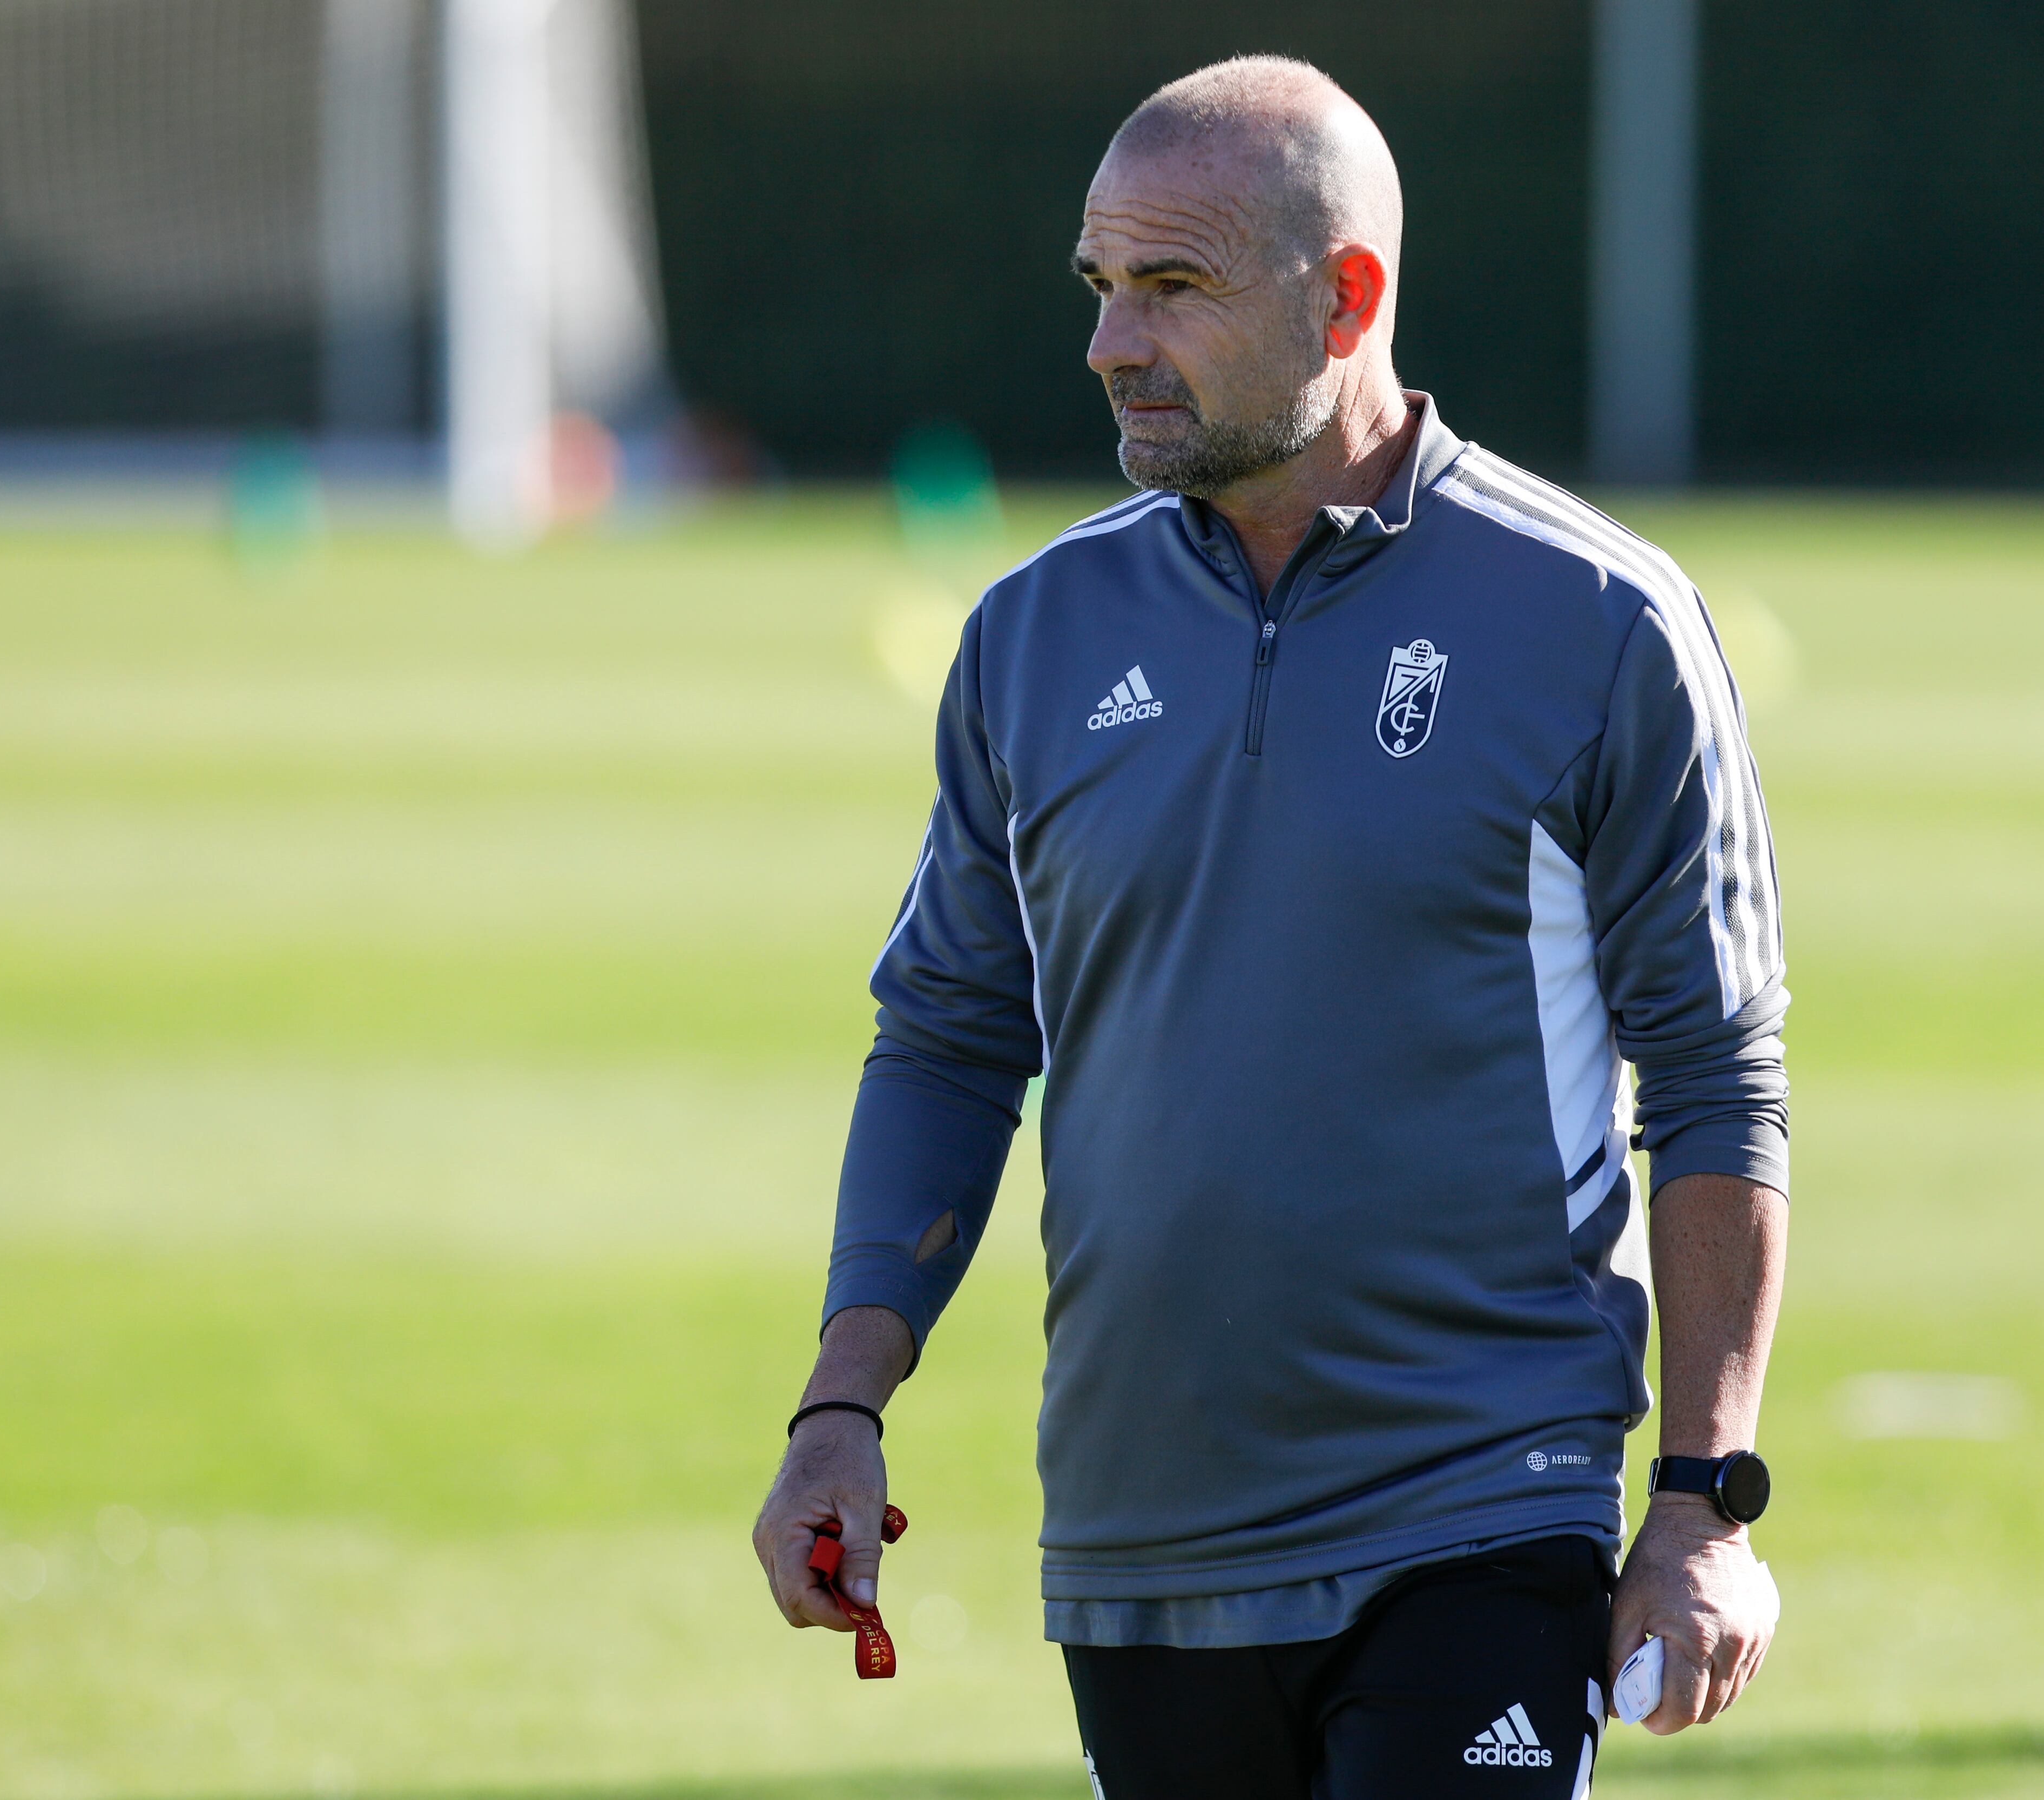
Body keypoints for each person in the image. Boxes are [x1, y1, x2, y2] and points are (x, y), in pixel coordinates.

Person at [753, 55, 1789, 1799]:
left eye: (1173, 288)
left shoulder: (1602, 622)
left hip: (1480, 1511)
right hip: (1140, 1547)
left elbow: (1714, 1075)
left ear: (1348, 297)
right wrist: (840, 1406)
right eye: (1100, 289)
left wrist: (1703, 1497)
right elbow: (945, 1033)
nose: (1109, 344)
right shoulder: (1033, 634)